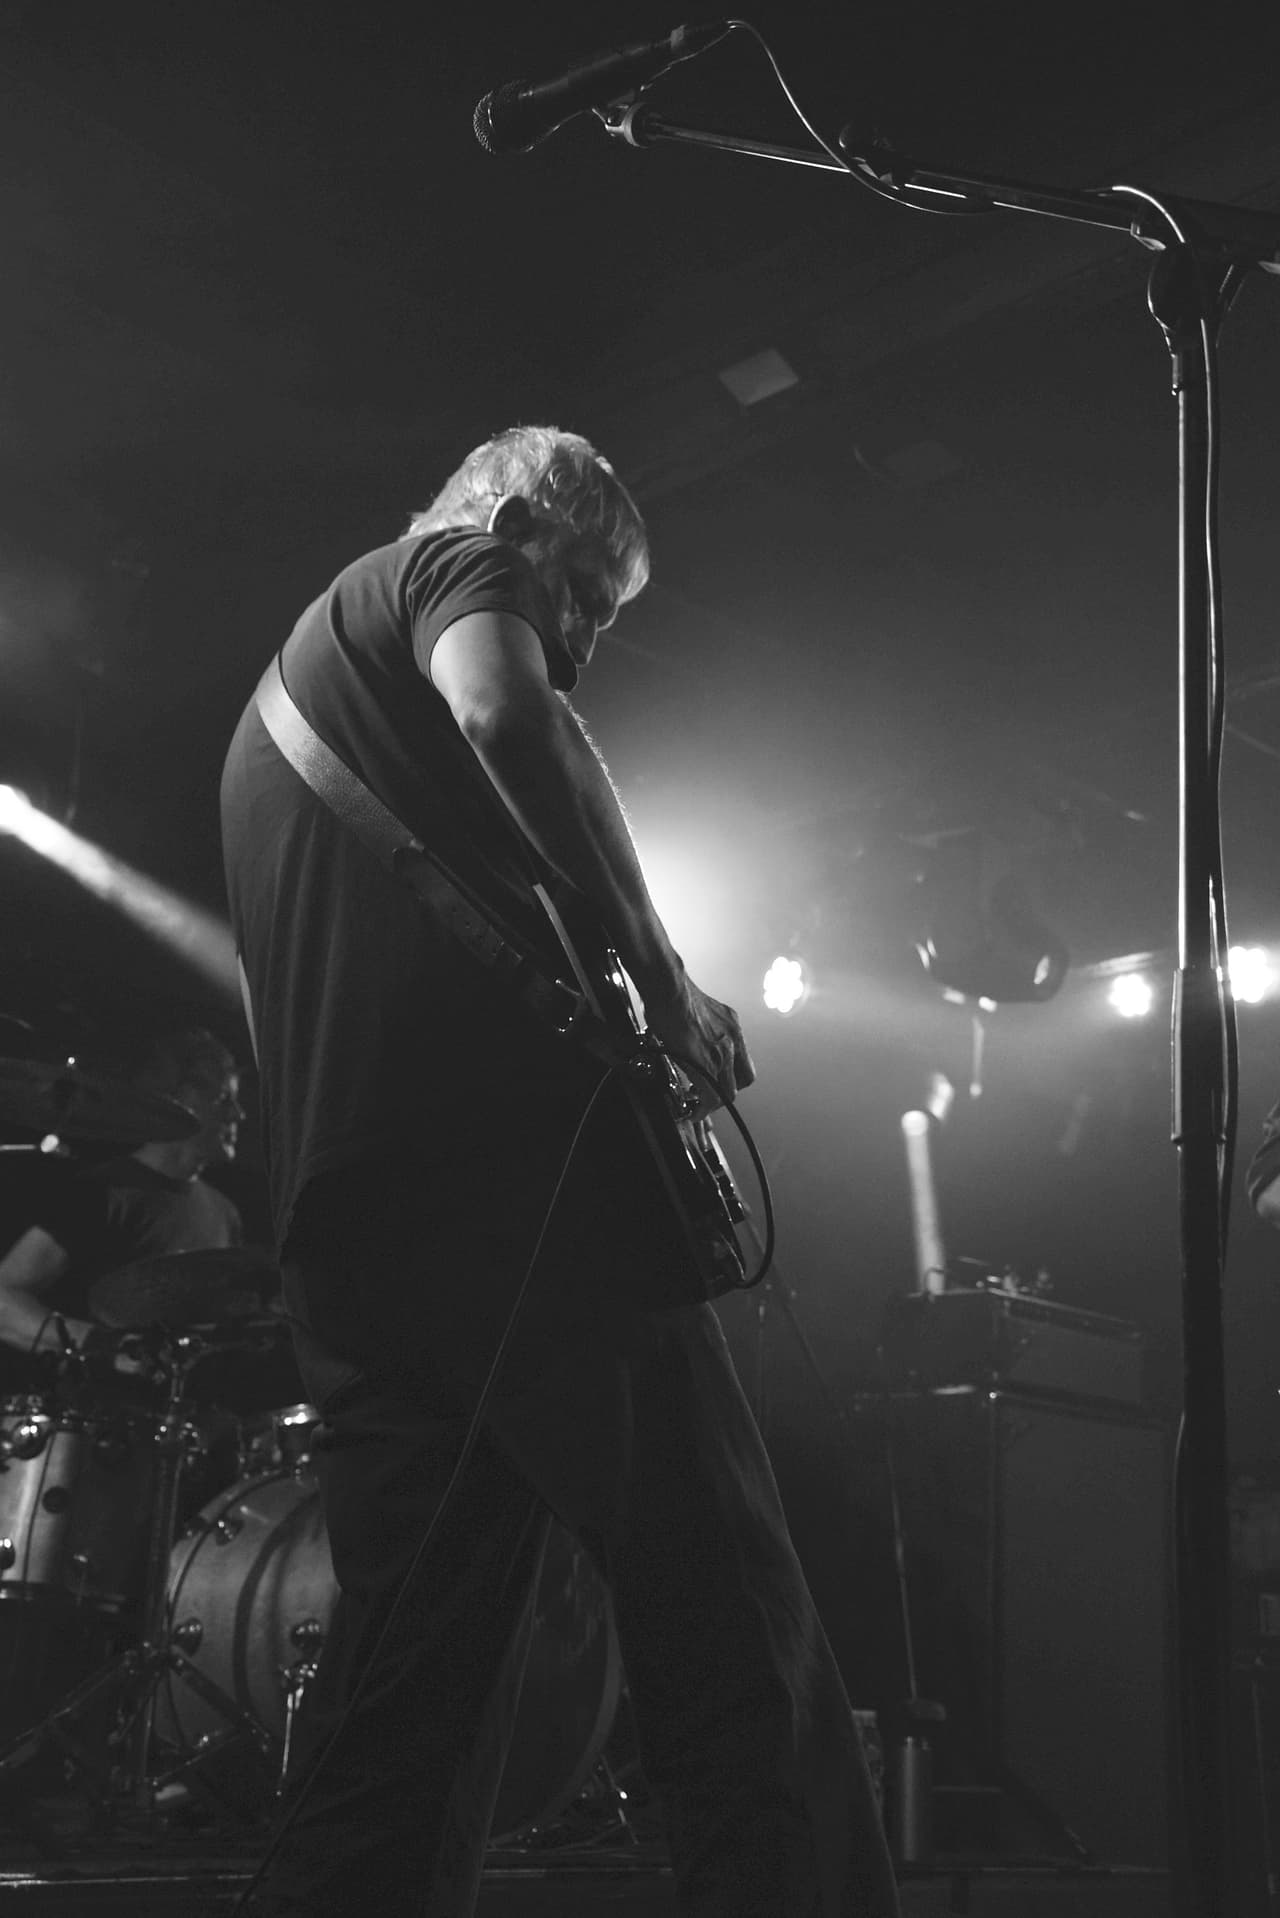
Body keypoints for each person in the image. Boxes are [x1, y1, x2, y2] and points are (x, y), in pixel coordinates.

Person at [220, 425, 900, 1917]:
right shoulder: (449, 568)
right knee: (729, 1615)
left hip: (347, 1231)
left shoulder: (269, 724)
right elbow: (505, 709)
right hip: (518, 1190)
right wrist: (657, 967)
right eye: (586, 593)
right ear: (521, 515)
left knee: (405, 1702)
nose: (583, 641)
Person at [0, 1027, 244, 1366]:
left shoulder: (225, 1213)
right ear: (175, 1099)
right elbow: (4, 1300)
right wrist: (105, 1345)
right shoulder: (101, 1193)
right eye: (223, 1099)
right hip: (97, 1394)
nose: (238, 1114)